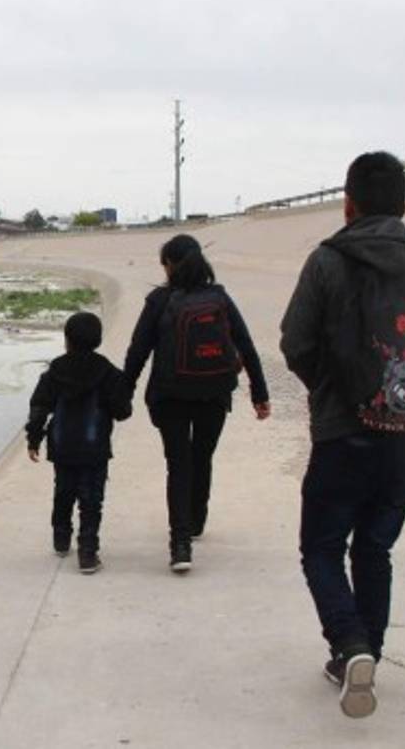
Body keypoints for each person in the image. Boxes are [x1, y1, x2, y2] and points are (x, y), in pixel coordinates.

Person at [281, 151, 405, 719]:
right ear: (404, 206)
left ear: (348, 204)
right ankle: (366, 656)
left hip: (341, 433)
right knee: (375, 548)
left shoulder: (327, 262)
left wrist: (334, 391)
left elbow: (295, 343)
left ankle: (350, 645)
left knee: (321, 547)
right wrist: (404, 398)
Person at [123, 234, 271, 572]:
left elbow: (138, 350)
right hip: (214, 393)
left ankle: (181, 545)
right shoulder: (219, 297)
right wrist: (260, 394)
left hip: (169, 395)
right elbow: (246, 345)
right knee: (202, 456)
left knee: (178, 463)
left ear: (170, 265)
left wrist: (123, 393)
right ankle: (196, 520)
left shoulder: (159, 301)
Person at [26, 311, 132, 574]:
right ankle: (87, 553)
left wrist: (34, 438)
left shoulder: (55, 371)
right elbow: (123, 411)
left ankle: (61, 538)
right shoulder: (108, 372)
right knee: (91, 499)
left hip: (62, 445)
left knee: (63, 491)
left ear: (67, 340)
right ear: (98, 339)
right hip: (94, 447)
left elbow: (39, 406)